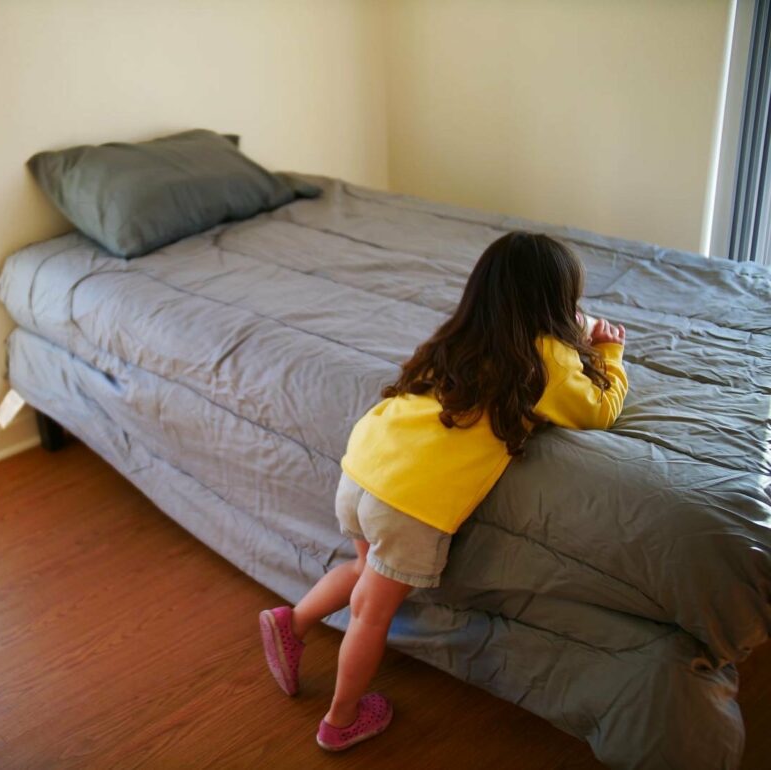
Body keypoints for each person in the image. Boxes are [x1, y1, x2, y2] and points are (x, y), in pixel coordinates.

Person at [258, 231, 629, 751]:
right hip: (410, 501)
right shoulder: (547, 360)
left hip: (364, 466)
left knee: (364, 574)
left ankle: (291, 622)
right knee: (371, 612)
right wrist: (609, 354)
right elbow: (598, 410)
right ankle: (341, 720)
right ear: (558, 303)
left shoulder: (459, 335)